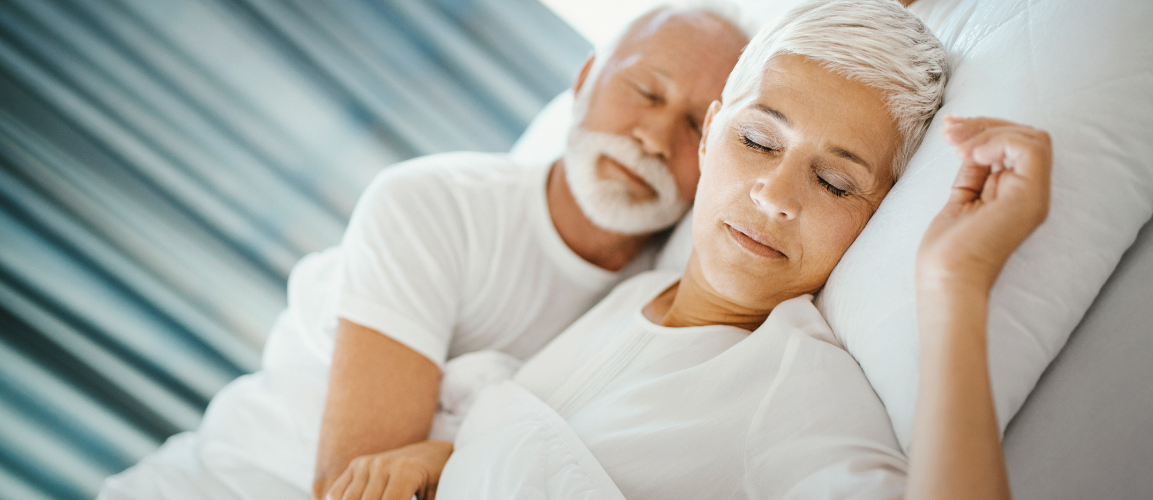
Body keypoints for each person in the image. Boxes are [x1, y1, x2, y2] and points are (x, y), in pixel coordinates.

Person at [325, 1, 1050, 498]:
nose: (775, 194)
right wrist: (441, 458)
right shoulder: (631, 292)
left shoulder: (795, 394)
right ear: (709, 138)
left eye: (833, 182)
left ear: (881, 214)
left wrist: (957, 286)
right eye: (758, 141)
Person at [97, 4, 752, 500]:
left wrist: (440, 459)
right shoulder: (434, 203)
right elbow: (357, 487)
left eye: (700, 126)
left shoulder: (669, 293)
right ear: (583, 82)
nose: (655, 136)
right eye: (645, 91)